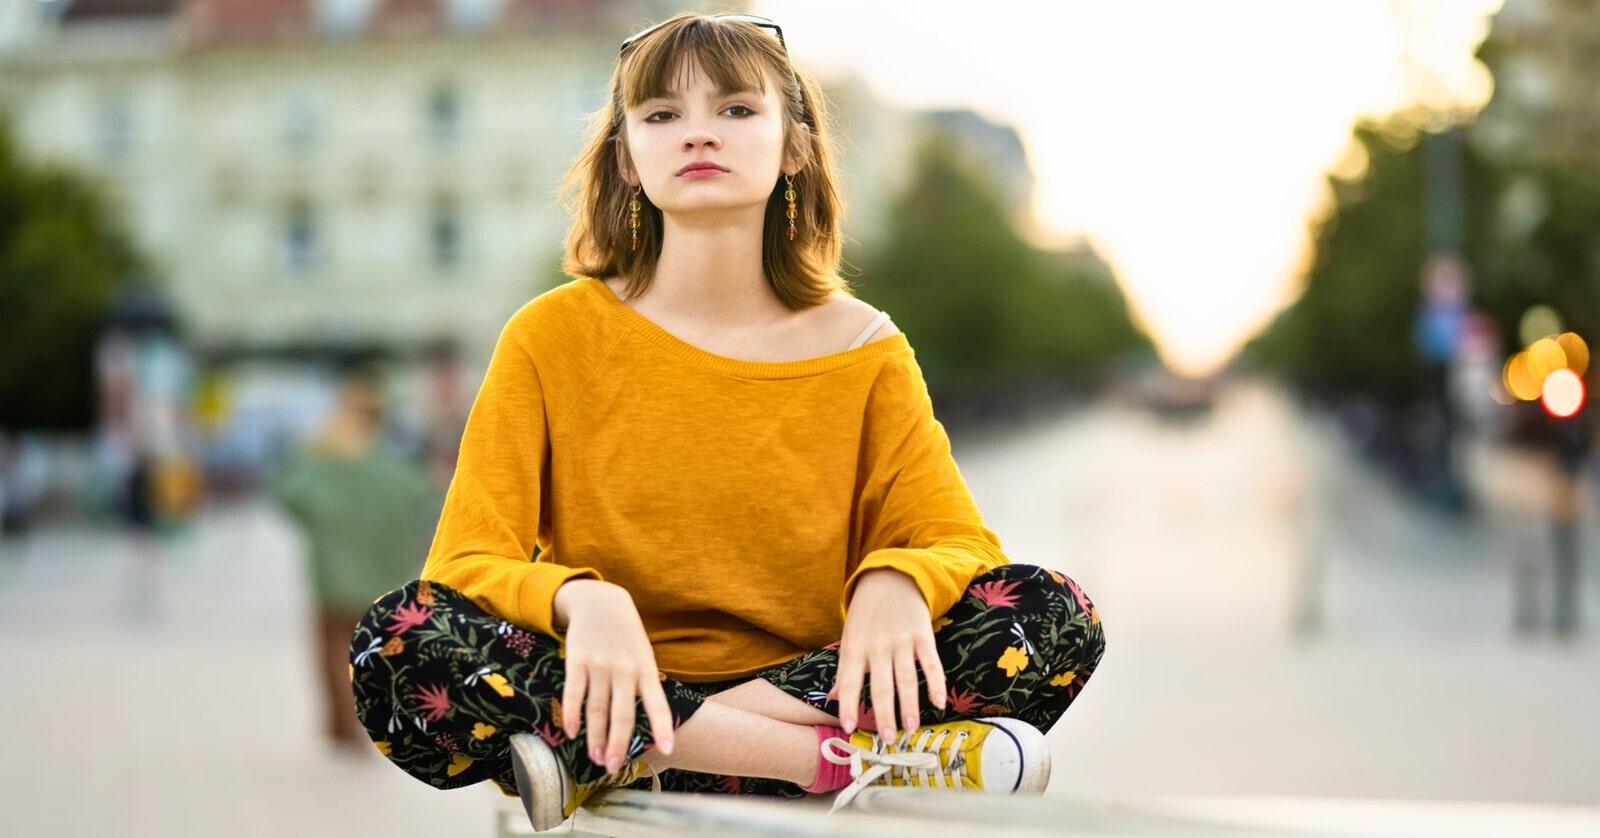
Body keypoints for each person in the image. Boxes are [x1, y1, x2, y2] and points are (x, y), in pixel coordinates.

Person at [350, 12, 1106, 831]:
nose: (698, 134)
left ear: (796, 148)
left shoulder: (867, 350)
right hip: (602, 682)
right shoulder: (550, 337)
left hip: (771, 693)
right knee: (397, 639)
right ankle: (830, 762)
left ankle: (637, 754)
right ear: (627, 159)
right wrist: (582, 603)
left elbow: (960, 545)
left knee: (1054, 614)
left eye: (737, 110)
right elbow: (466, 563)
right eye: (662, 115)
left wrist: (897, 580)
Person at [274, 358, 437, 751]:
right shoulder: (396, 464)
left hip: (331, 577)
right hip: (382, 577)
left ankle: (341, 725)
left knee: (330, 648)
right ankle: (359, 725)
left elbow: (289, 497)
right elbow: (424, 501)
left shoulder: (323, 459)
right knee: (369, 653)